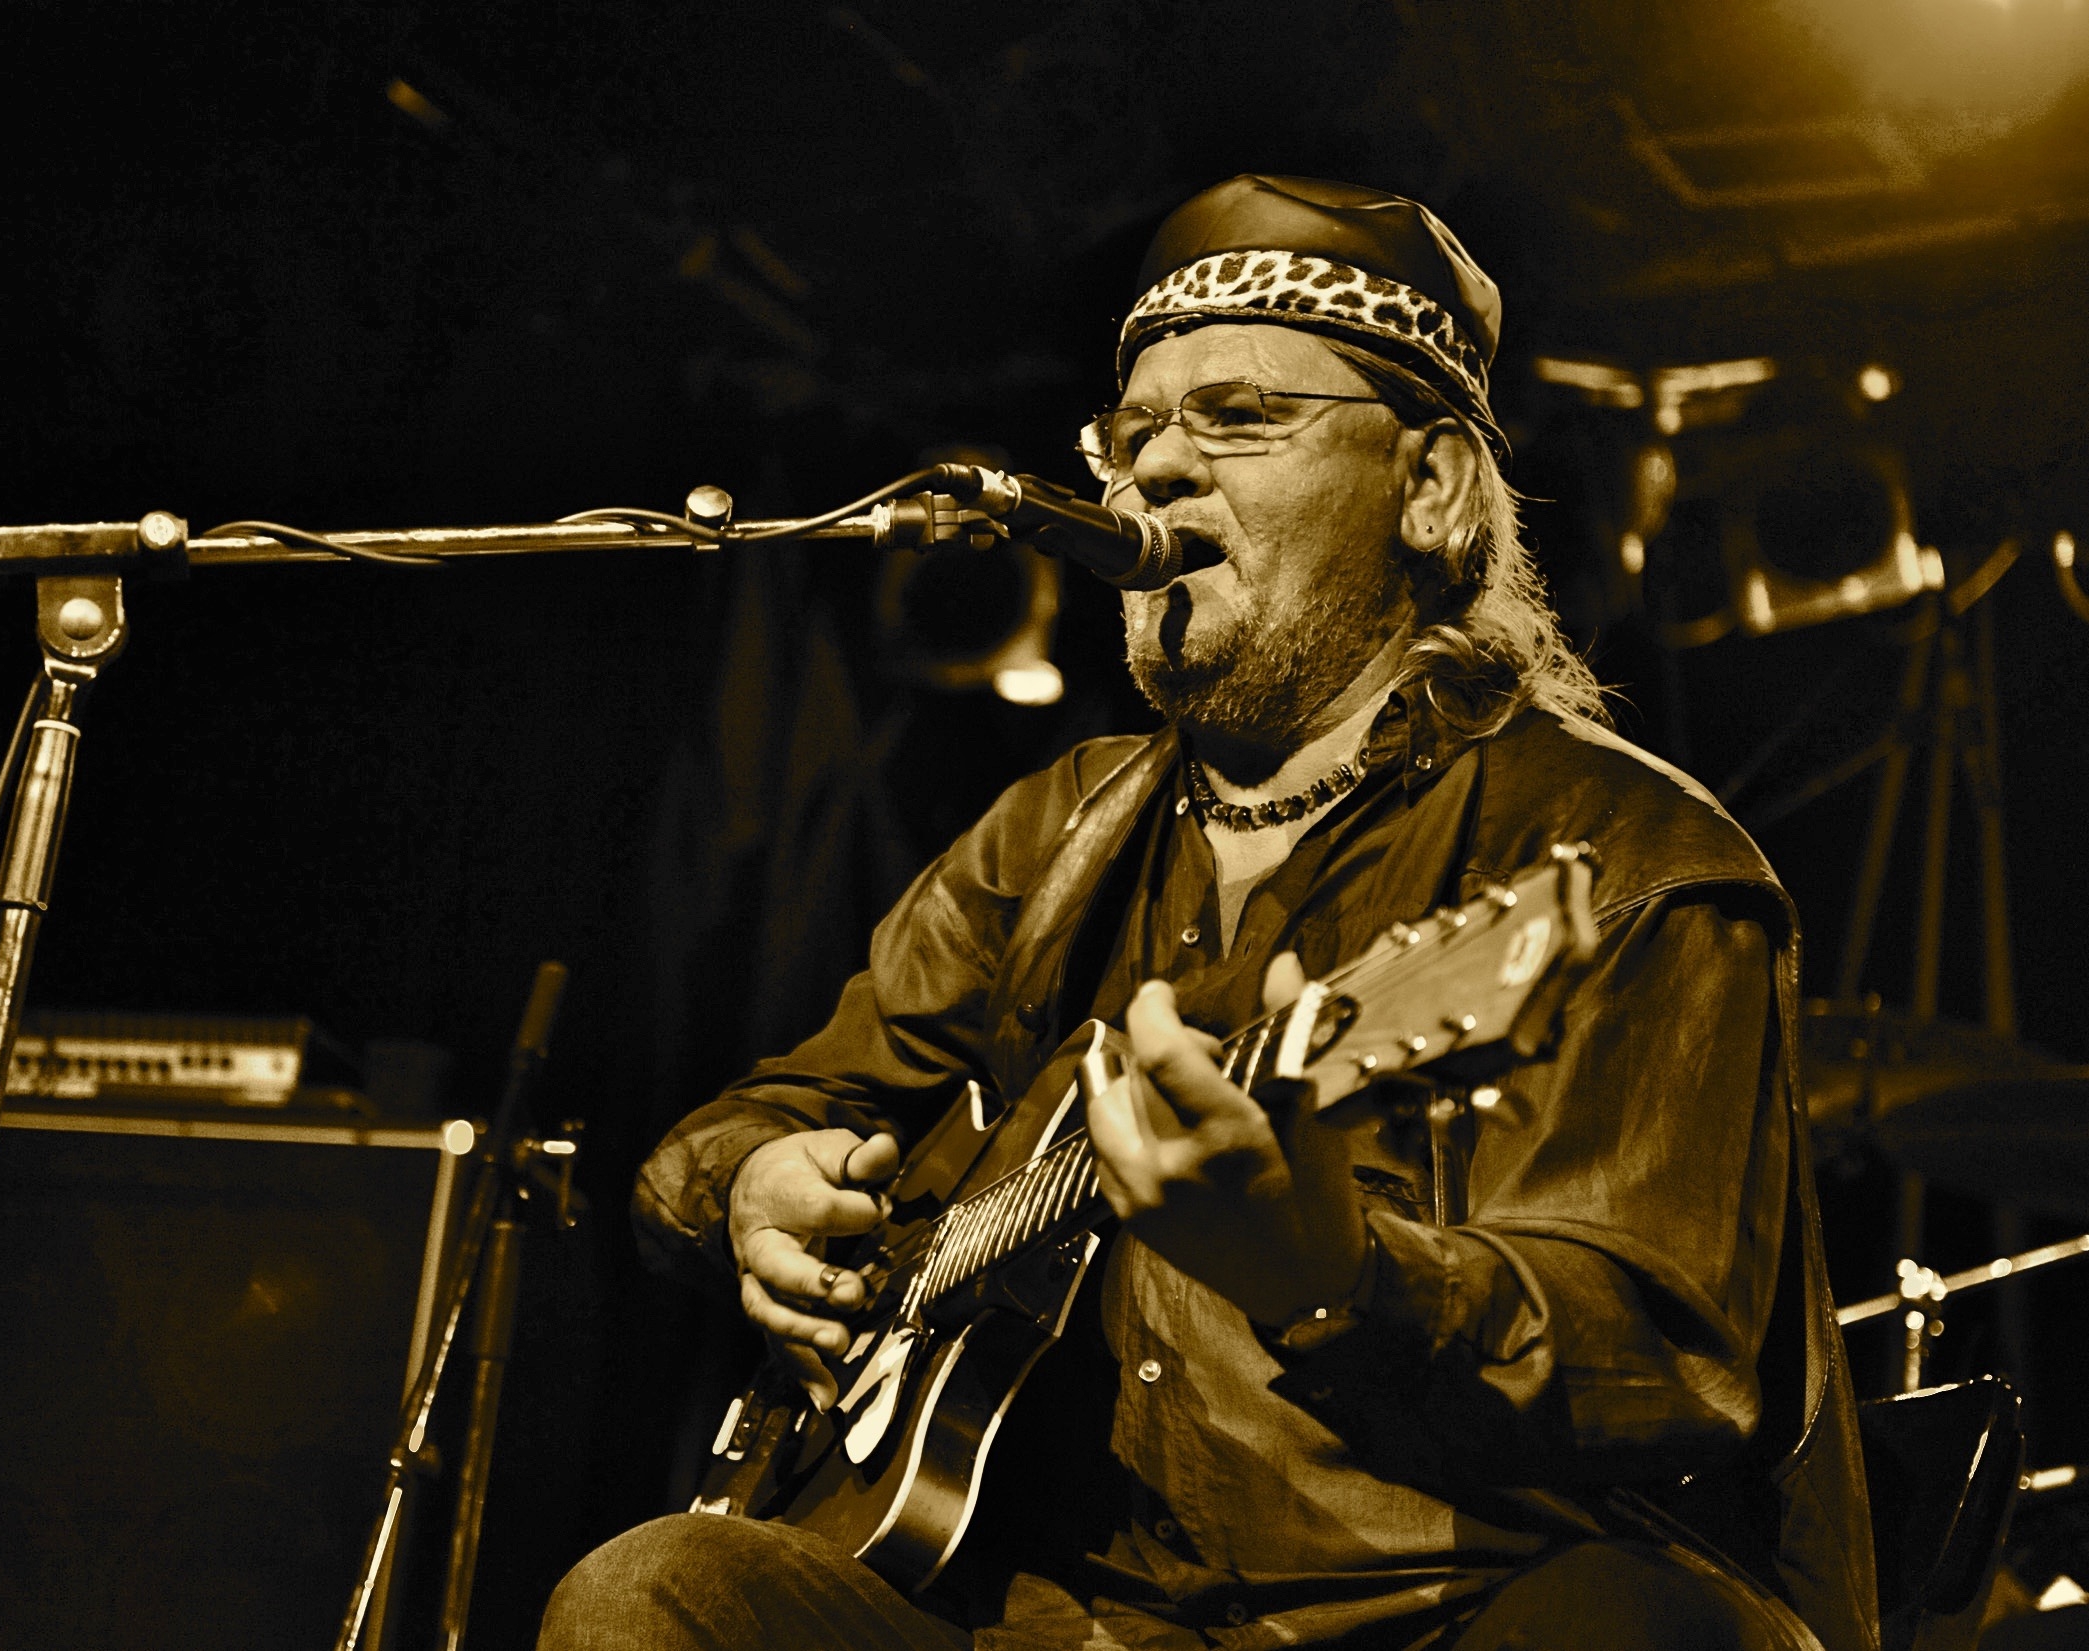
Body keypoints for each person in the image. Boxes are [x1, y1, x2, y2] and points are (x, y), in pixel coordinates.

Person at [541, 176, 1877, 1650]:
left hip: (1439, 1613)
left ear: (1431, 488)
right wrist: (752, 1183)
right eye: (1131, 436)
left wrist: (1335, 1274)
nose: (1157, 473)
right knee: (650, 1595)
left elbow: (1660, 1364)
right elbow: (770, 1114)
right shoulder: (1052, 832)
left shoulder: (1624, 857)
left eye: (1241, 418)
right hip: (1043, 1617)